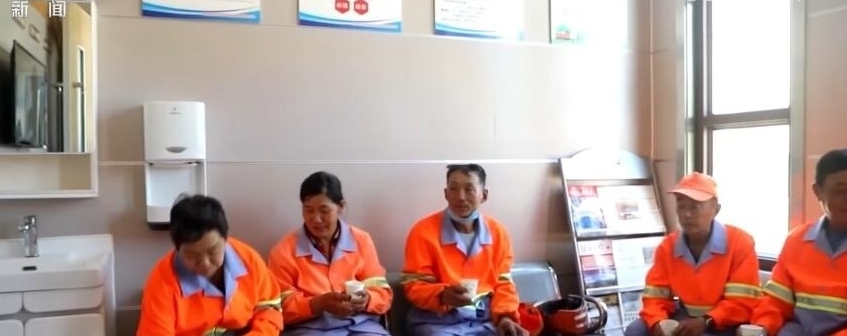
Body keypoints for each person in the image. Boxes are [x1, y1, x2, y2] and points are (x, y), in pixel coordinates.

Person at [401, 164, 587, 336]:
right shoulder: (423, 232)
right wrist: (442, 296)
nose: (460, 196)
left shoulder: (498, 232)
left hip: (486, 319)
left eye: (469, 189)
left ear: (484, 195)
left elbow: (503, 284)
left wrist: (505, 318)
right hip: (437, 322)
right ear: (445, 194)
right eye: (453, 188)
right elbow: (414, 285)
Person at [625, 172, 761, 336]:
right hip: (685, 315)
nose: (686, 214)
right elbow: (654, 297)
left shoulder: (740, 242)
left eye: (695, 207)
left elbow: (741, 303)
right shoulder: (668, 247)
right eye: (681, 206)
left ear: (716, 210)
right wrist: (657, 322)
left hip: (726, 323)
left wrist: (707, 321)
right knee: (635, 330)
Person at [137, 195, 283, 336]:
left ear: (225, 239)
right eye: (192, 255)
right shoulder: (161, 283)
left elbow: (270, 309)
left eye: (213, 250)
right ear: (177, 248)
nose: (205, 263)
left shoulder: (248, 259)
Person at [267, 171, 392, 335]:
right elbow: (277, 308)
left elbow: (382, 292)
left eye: (324, 210)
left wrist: (368, 299)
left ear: (341, 207)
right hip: (311, 329)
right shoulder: (284, 251)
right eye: (309, 210)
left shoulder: (362, 240)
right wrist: (317, 304)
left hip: (362, 325)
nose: (316, 219)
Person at [745, 149, 847, 336]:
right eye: (841, 190)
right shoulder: (797, 240)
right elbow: (776, 302)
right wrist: (762, 327)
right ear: (818, 192)